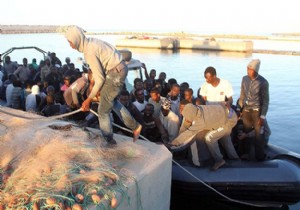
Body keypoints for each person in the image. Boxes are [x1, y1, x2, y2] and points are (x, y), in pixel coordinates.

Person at [65, 25, 142, 144]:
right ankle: (135, 127)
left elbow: (99, 79)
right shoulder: (92, 42)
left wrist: (89, 99)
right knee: (112, 102)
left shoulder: (89, 52)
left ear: (76, 39)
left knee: (102, 111)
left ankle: (109, 141)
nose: (70, 46)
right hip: (119, 69)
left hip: (115, 72)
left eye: (70, 42)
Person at [171, 103, 239, 171]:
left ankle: (219, 160)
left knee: (209, 138)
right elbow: (185, 126)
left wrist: (174, 143)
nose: (187, 119)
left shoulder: (201, 122)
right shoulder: (199, 107)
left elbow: (188, 133)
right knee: (225, 137)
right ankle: (235, 158)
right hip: (229, 113)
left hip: (229, 121)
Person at [238, 59, 269, 161]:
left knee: (259, 135)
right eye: (247, 68)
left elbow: (266, 101)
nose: (247, 70)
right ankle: (246, 154)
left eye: (250, 69)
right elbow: (242, 95)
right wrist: (239, 109)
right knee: (246, 132)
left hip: (257, 111)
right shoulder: (244, 79)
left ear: (255, 70)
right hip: (246, 110)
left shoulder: (263, 82)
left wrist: (262, 116)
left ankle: (259, 157)